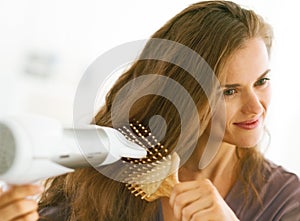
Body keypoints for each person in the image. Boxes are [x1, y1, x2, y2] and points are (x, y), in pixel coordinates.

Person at [1, 1, 299, 220]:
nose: (256, 106)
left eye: (262, 81)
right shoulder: (111, 172)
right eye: (229, 91)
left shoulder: (286, 200)